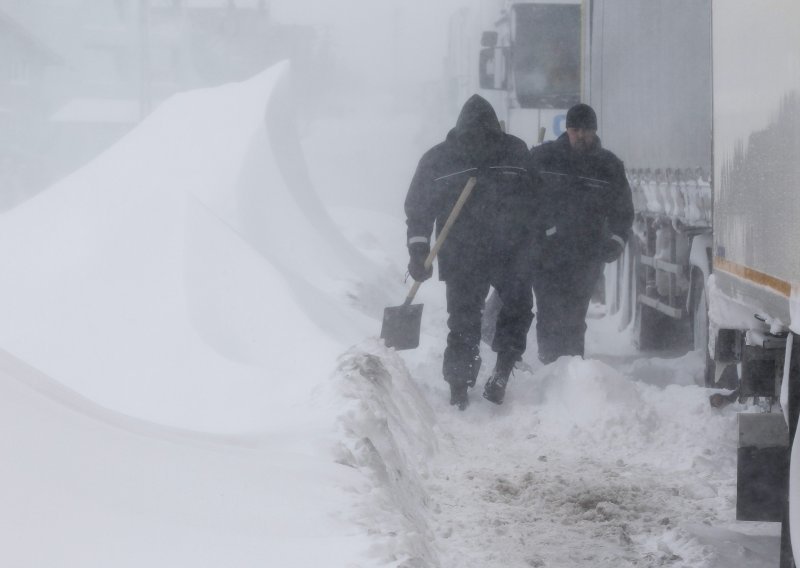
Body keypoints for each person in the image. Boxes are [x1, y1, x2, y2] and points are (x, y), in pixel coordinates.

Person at [404, 94, 540, 409]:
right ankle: (486, 373)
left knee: (470, 317)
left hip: (484, 252)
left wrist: (532, 241)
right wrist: (418, 250)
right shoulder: (506, 152)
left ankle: (467, 382)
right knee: (504, 311)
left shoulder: (445, 158)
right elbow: (419, 210)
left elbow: (536, 203)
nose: (480, 142)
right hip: (489, 251)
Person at [529, 103, 634, 363]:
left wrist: (616, 241)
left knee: (575, 315)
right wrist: (532, 234)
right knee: (549, 312)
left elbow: (623, 211)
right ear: (567, 129)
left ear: (595, 131)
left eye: (586, 130)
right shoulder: (543, 158)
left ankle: (574, 370)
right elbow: (522, 200)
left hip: (587, 254)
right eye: (575, 130)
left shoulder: (609, 166)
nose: (580, 135)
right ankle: (549, 363)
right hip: (547, 253)